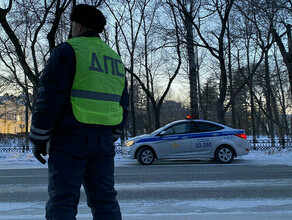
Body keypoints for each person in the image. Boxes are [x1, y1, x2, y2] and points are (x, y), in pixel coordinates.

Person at [29, 4, 129, 220]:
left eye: (73, 24)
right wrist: (113, 134)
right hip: (103, 140)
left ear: (79, 25)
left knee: (63, 201)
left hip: (69, 138)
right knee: (105, 200)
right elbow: (123, 103)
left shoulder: (67, 51)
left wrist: (39, 137)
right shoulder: (114, 59)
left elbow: (49, 99)